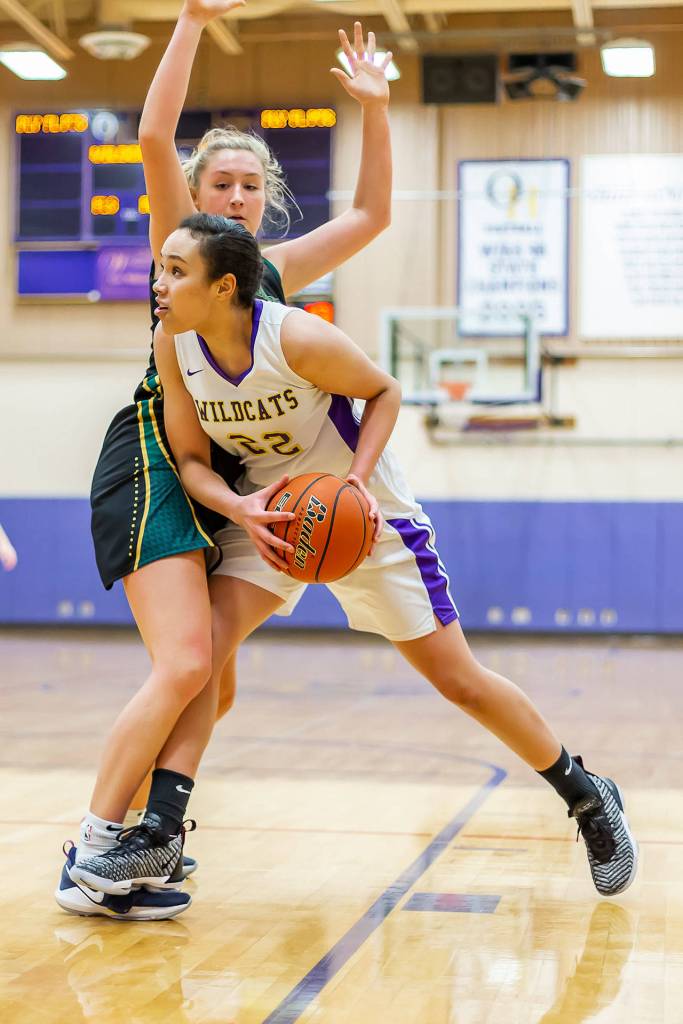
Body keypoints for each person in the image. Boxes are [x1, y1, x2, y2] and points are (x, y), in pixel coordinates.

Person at [70, 214, 638, 904]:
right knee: (202, 659)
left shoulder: (294, 336)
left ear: (224, 287)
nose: (159, 283)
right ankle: (160, 827)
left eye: (176, 270)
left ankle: (585, 795)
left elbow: (384, 392)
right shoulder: (173, 343)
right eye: (161, 267)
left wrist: (355, 483)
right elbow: (190, 458)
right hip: (271, 510)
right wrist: (239, 507)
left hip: (362, 513)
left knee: (458, 681)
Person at [56, 0, 393, 921]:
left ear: (265, 196)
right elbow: (158, 133)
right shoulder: (185, 251)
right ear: (197, 199)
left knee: (215, 677)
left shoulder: (268, 272)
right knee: (185, 666)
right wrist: (195, 20)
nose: (235, 197)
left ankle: (145, 837)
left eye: (250, 185)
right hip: (160, 456)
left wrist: (375, 104)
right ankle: (94, 846)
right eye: (222, 185)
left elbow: (370, 212)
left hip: (226, 476)